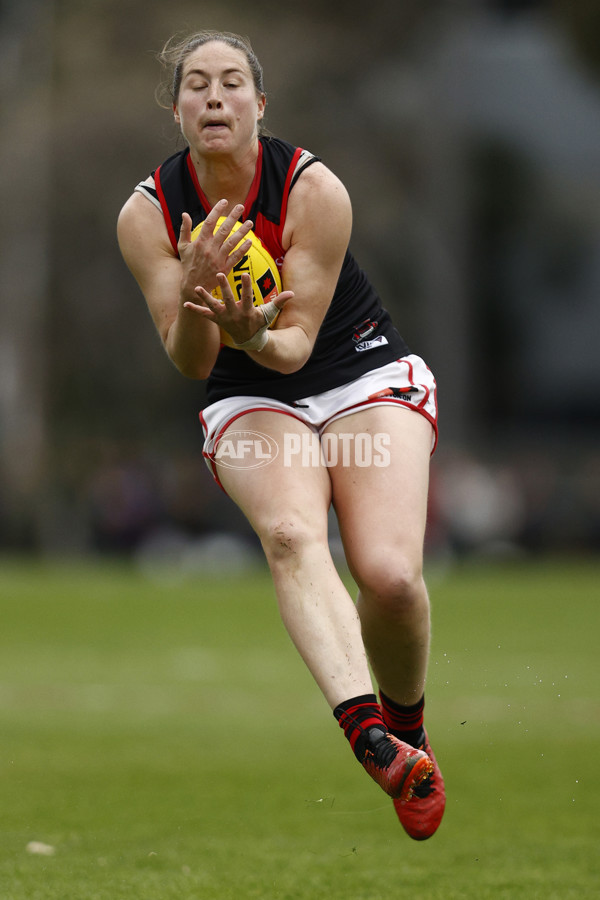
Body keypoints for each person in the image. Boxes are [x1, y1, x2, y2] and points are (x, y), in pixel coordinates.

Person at [117, 29, 445, 840]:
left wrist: (256, 326)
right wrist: (198, 293)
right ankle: (373, 741)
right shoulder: (147, 213)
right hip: (248, 394)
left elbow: (294, 346)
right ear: (177, 108)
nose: (215, 96)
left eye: (233, 83)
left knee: (392, 578)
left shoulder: (313, 191)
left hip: (356, 370)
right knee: (295, 534)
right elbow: (191, 361)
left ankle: (410, 728)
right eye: (196, 84)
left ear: (260, 105)